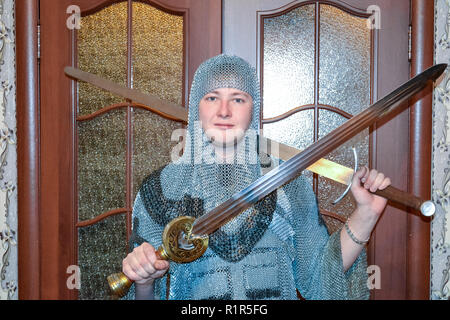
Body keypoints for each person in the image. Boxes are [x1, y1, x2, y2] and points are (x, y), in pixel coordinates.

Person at [121, 54, 391, 300]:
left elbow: (319, 279)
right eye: (212, 97)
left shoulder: (287, 183)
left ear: (253, 109)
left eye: (238, 98)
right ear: (196, 108)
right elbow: (145, 293)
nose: (224, 110)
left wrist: (366, 214)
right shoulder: (162, 191)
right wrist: (144, 281)